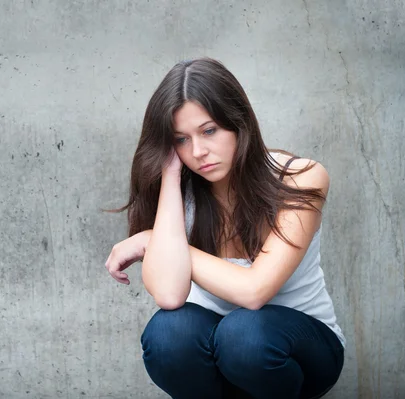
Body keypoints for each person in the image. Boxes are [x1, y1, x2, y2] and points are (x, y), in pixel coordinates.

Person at [104, 57, 345, 399]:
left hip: (299, 351)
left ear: (238, 122)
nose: (198, 152)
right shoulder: (179, 194)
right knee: (167, 335)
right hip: (216, 352)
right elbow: (171, 296)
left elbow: (254, 291)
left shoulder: (299, 178)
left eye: (209, 130)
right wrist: (171, 176)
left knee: (243, 336)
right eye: (181, 140)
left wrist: (151, 241)